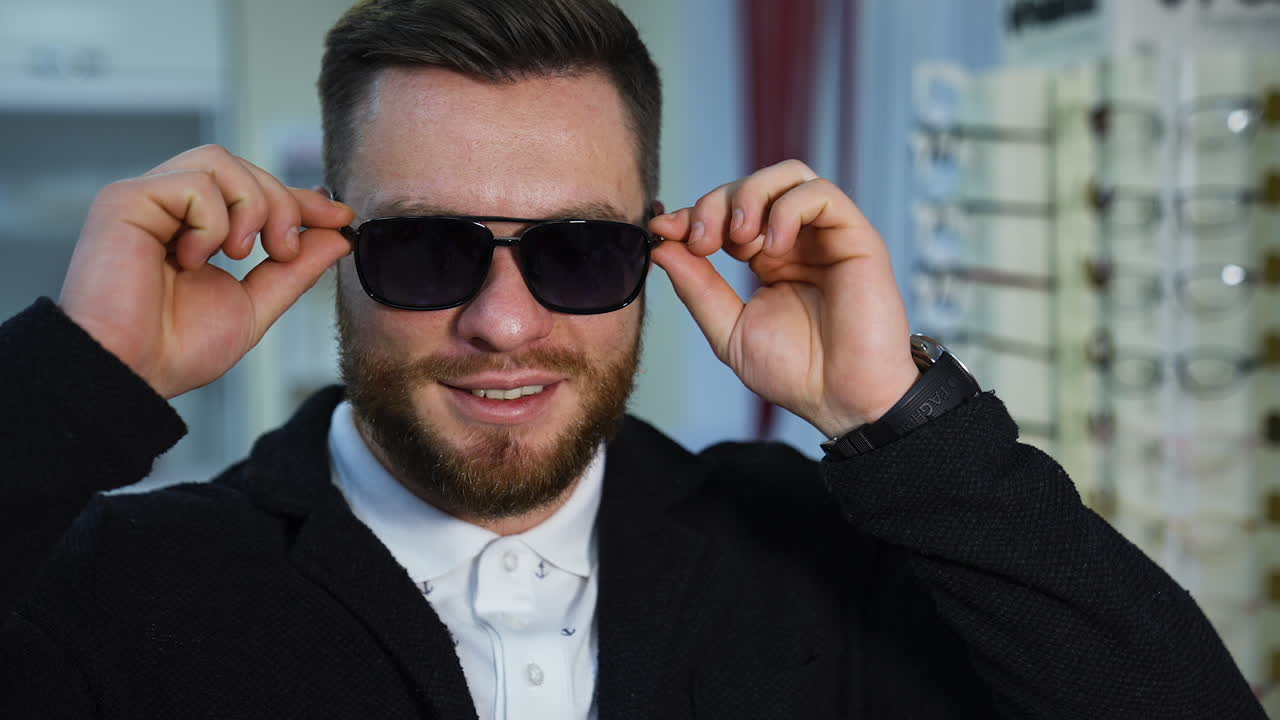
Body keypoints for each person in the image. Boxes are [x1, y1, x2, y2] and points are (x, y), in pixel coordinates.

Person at [0, 0, 1265, 718]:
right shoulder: (114, 589)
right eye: (429, 250)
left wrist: (898, 416)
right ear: (329, 240)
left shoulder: (834, 561)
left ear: (662, 248)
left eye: (580, 253)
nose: (503, 324)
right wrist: (69, 383)